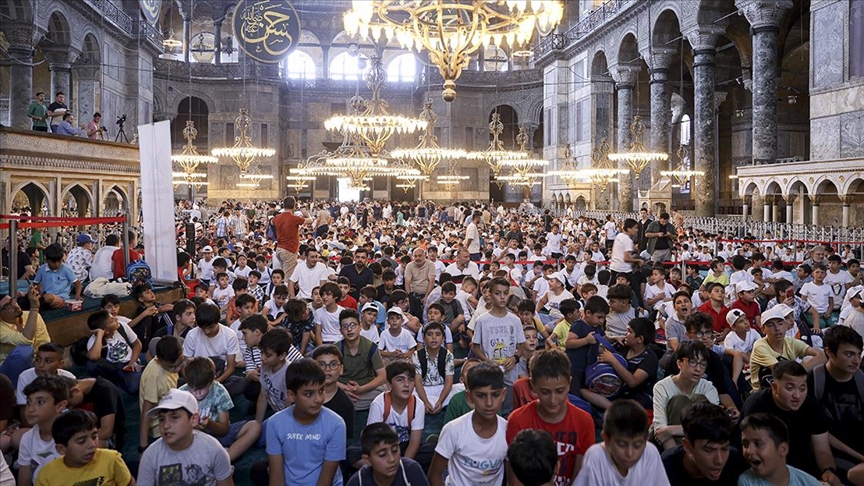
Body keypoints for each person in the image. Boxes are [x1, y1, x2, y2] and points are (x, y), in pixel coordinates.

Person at [739, 360, 840, 484]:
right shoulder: (756, 406)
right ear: (775, 387)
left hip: (804, 470)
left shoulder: (811, 406)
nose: (797, 395)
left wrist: (828, 470)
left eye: (802, 388)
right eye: (790, 388)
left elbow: (822, 449)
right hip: (763, 470)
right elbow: (750, 450)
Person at [506, 348, 595, 485]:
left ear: (569, 384)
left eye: (560, 391)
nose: (553, 400)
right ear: (533, 386)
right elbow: (515, 478)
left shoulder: (584, 421)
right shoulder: (517, 420)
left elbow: (581, 477)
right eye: (545, 392)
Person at [265, 358, 346, 486]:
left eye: (321, 391)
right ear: (291, 395)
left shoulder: (336, 424)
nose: (318, 399)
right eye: (309, 394)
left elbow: (326, 480)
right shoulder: (274, 423)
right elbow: (276, 476)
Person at [428, 362, 509, 486]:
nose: (489, 403)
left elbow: (512, 476)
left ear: (503, 395)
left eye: (495, 395)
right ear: (469, 397)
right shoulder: (454, 430)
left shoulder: (508, 431)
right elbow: (434, 475)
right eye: (481, 396)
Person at [137, 389, 234, 486]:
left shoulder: (214, 449)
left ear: (194, 419)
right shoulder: (150, 456)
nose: (166, 425)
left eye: (174, 417)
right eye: (161, 419)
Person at [178, 357, 261, 461]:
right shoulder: (181, 393)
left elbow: (224, 430)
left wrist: (210, 424)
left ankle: (224, 460)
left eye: (201, 388)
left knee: (255, 427)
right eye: (193, 388)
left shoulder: (218, 391)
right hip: (192, 439)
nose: (197, 393)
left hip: (217, 436)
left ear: (211, 381)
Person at [806, 326, 864, 472]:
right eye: (849, 354)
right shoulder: (812, 382)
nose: (856, 361)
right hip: (832, 457)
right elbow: (819, 433)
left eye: (859, 354)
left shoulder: (861, 379)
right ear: (829, 352)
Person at [574, 399, 669, 486]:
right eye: (622, 445)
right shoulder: (596, 455)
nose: (630, 453)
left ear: (646, 439)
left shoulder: (650, 453)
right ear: (606, 439)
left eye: (638, 445)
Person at [365, 361, 434, 471]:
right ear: (389, 385)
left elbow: (414, 442)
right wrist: (388, 459)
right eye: (400, 380)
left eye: (410, 380)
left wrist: (401, 466)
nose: (406, 384)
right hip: (383, 448)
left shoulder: (418, 405)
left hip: (404, 446)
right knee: (352, 453)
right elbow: (373, 439)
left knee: (432, 451)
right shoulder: (379, 403)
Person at [35, 409, 133, 486]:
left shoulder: (111, 459)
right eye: (81, 441)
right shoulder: (46, 475)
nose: (92, 444)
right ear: (61, 449)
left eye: (94, 437)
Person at [471, 276, 526, 414]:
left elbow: (521, 346)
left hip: (510, 373)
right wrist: (488, 362)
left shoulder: (515, 320)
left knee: (508, 411)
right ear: (489, 294)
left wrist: (514, 358)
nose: (502, 297)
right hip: (490, 372)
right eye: (497, 293)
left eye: (505, 293)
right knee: (491, 410)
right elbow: (475, 347)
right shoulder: (482, 320)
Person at [653, 342, 721, 451]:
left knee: (699, 399)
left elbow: (714, 426)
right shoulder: (662, 387)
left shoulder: (708, 388)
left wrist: (672, 430)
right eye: (692, 362)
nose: (698, 369)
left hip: (699, 445)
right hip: (668, 446)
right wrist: (675, 458)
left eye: (702, 364)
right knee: (679, 400)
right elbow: (660, 430)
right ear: (679, 363)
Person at [661, 402, 748, 486]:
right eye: (709, 450)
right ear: (687, 446)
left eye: (724, 449)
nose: (719, 460)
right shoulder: (666, 467)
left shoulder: (736, 463)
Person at [749, 307, 825, 392]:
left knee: (810, 361)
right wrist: (801, 374)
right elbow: (781, 371)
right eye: (771, 325)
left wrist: (803, 371)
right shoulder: (760, 346)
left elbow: (822, 355)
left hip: (790, 387)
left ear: (786, 326)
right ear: (763, 330)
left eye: (780, 324)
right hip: (765, 393)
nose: (777, 328)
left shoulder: (790, 342)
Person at [738, 413, 822, 486]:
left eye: (758, 444)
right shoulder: (746, 482)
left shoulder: (808, 482)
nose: (749, 451)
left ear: (783, 449)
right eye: (745, 444)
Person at [16, 375, 70, 485]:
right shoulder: (27, 439)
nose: (31, 409)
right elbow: (23, 482)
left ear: (60, 406)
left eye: (40, 402)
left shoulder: (72, 436)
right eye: (29, 402)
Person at [183, 303, 244, 397]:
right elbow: (185, 365)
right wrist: (195, 383)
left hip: (220, 377)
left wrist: (213, 384)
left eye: (210, 327)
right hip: (197, 378)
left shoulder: (229, 335)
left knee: (240, 382)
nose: (207, 331)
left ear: (217, 321)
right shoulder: (192, 335)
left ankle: (211, 393)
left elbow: (231, 368)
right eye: (203, 328)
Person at [138, 335, 184, 453]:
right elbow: (146, 413)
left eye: (180, 363)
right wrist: (143, 447)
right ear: (158, 360)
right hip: (160, 426)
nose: (177, 369)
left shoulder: (171, 363)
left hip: (171, 400)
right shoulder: (155, 377)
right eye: (172, 367)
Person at [347, 422, 429, 486]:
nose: (392, 459)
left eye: (395, 450)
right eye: (382, 455)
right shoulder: (359, 482)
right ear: (367, 460)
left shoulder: (411, 470)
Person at [337, 309, 387, 411]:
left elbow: (382, 376)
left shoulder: (371, 347)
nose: (349, 330)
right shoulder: (336, 348)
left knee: (384, 393)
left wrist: (361, 389)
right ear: (341, 331)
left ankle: (349, 404)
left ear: (360, 326)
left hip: (366, 389)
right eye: (345, 327)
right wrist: (345, 388)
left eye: (353, 325)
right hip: (342, 389)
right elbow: (325, 376)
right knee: (325, 392)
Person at [84, 309, 142, 395]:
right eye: (112, 321)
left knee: (134, 388)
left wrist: (132, 362)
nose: (116, 319)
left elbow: (137, 344)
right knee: (91, 364)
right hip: (113, 368)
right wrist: (100, 334)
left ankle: (121, 381)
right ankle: (120, 380)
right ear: (106, 330)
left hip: (129, 363)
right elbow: (94, 357)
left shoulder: (122, 326)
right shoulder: (94, 340)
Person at [0, 287, 50, 385]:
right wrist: (34, 308)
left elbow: (44, 344)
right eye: (7, 306)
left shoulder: (31, 316)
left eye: (13, 301)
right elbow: (26, 340)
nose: (14, 305)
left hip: (34, 364)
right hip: (6, 371)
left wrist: (41, 365)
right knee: (24, 350)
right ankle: (16, 391)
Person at [312, 345, 355, 440]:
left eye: (333, 364)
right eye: (321, 365)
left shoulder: (346, 404)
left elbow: (345, 440)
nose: (327, 369)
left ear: (341, 369)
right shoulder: (304, 397)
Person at [273, 197, 313, 279]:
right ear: (294, 206)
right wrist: (307, 213)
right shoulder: (294, 218)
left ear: (284, 205)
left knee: (281, 276)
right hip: (289, 250)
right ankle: (285, 291)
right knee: (288, 277)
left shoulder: (277, 217)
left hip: (279, 249)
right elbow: (310, 220)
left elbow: (271, 221)